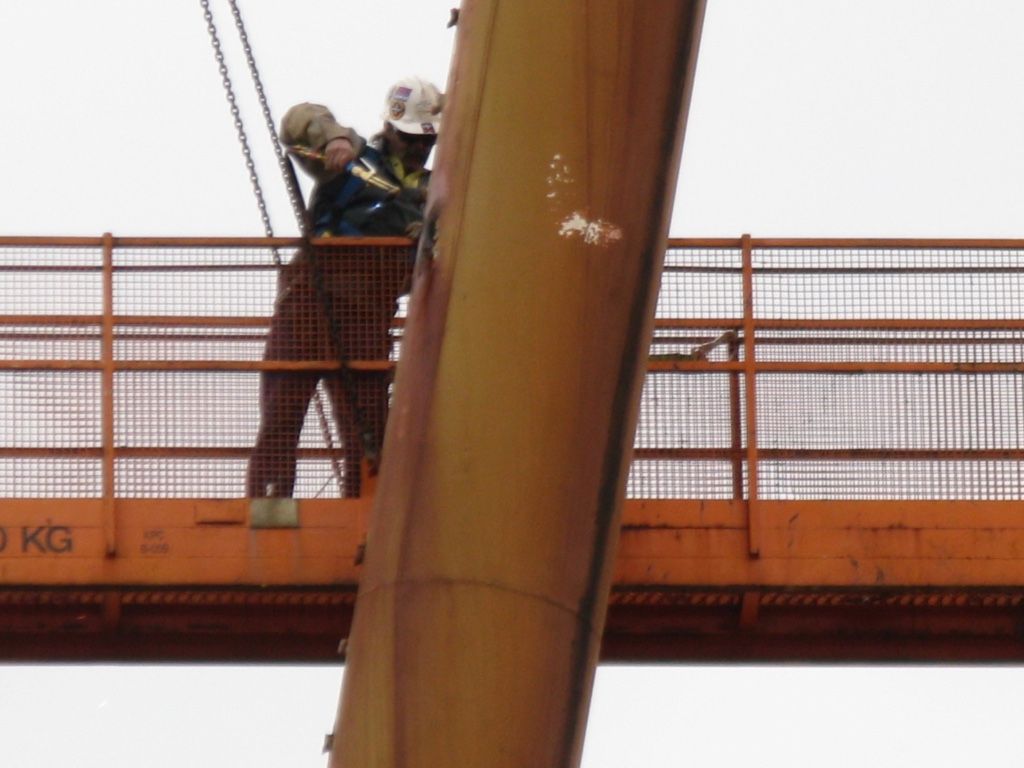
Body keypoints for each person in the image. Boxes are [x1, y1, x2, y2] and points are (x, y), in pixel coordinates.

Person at [247, 76, 443, 499]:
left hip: (367, 317)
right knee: (282, 413)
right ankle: (268, 511)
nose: (418, 148)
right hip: (309, 304)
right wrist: (333, 139)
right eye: (410, 138)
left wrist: (427, 236)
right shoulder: (356, 159)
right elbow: (298, 120)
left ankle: (362, 515)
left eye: (426, 141)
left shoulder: (435, 193)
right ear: (391, 130)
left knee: (369, 430)